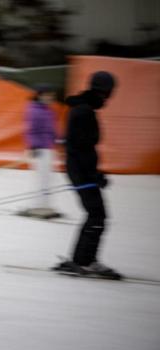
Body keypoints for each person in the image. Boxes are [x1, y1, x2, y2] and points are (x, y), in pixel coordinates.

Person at [53, 71, 120, 279]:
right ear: (105, 91)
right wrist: (94, 175)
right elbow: (83, 149)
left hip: (80, 171)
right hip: (82, 173)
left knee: (96, 215)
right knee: (97, 215)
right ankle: (83, 260)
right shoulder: (84, 112)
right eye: (109, 92)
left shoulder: (82, 109)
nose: (110, 97)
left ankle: (84, 259)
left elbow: (78, 146)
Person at [20, 83, 61, 219]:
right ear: (40, 95)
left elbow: (51, 130)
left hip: (48, 148)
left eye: (52, 95)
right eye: (48, 95)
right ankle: (35, 206)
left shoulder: (48, 110)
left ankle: (44, 205)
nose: (51, 98)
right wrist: (34, 146)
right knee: (39, 178)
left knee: (48, 178)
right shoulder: (34, 110)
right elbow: (31, 130)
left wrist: (59, 140)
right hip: (39, 149)